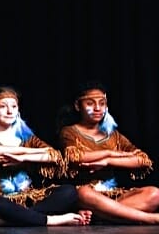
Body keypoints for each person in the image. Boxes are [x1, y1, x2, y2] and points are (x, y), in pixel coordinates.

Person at [0, 86, 91, 227]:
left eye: (14, 106)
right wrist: (29, 151)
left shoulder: (28, 137)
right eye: (3, 106)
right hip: (2, 198)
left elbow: (53, 155)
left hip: (30, 197)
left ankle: (12, 220)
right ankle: (52, 220)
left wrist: (23, 158)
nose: (10, 111)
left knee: (69, 191)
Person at [57, 80, 159, 224]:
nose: (97, 108)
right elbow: (76, 157)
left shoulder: (113, 135)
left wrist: (108, 161)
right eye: (90, 103)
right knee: (84, 192)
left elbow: (142, 160)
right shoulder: (69, 132)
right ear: (78, 106)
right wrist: (110, 153)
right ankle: (149, 218)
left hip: (113, 197)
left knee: (154, 194)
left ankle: (96, 217)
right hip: (85, 196)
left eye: (102, 103)